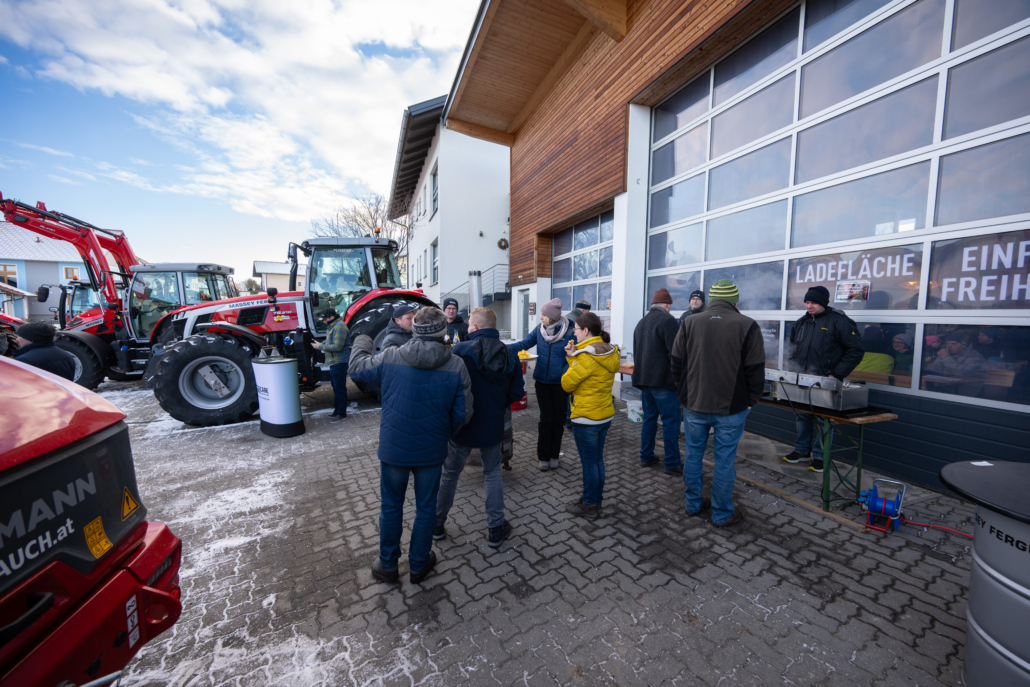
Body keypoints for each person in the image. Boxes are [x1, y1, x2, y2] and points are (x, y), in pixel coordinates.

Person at [349, 307, 473, 584]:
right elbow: (463, 414)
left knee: (391, 507)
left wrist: (363, 340)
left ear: (413, 329)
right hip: (432, 450)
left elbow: (356, 368)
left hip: (394, 449)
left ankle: (388, 566)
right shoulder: (456, 365)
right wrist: (442, 431)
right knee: (426, 508)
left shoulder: (392, 356)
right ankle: (418, 565)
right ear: (444, 332)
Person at [670, 279, 765, 527]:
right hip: (732, 407)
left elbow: (676, 361)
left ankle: (693, 504)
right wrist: (751, 400)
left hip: (694, 404)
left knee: (692, 454)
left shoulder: (690, 321)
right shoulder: (748, 324)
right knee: (724, 461)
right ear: (735, 301)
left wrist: (684, 393)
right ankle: (722, 514)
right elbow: (755, 369)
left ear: (711, 300)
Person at [435, 307, 525, 548]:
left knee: (450, 473)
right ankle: (495, 528)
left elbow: (446, 387)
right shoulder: (510, 353)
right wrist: (498, 404)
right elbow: (518, 392)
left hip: (461, 424)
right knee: (492, 473)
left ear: (473, 327)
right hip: (493, 424)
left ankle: (436, 524)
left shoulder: (459, 351)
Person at [781, 285, 864, 473]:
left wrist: (836, 374)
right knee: (801, 416)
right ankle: (802, 450)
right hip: (801, 379)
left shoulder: (840, 321)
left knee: (822, 420)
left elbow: (856, 350)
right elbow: (792, 349)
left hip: (826, 380)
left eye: (814, 303)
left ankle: (820, 456)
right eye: (807, 302)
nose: (809, 306)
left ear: (824, 303)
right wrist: (792, 370)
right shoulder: (801, 322)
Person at [562, 311, 621, 518]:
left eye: (576, 329)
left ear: (586, 330)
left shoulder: (586, 356)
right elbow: (585, 373)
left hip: (586, 418)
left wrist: (573, 358)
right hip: (604, 415)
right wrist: (573, 356)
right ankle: (595, 500)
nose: (574, 334)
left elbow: (567, 383)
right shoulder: (609, 351)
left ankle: (589, 504)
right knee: (597, 461)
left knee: (589, 463)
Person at [508, 298, 576, 471]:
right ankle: (543, 457)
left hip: (561, 383)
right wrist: (504, 348)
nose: (541, 318)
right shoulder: (540, 330)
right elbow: (525, 343)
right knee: (546, 419)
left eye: (543, 315)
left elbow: (576, 355)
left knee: (558, 420)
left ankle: (554, 455)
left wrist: (564, 371)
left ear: (552, 317)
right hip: (541, 382)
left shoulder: (570, 331)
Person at [631, 287, 682, 474]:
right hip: (664, 382)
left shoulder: (641, 322)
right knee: (670, 422)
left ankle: (646, 456)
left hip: (645, 381)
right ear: (667, 306)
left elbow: (637, 351)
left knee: (649, 420)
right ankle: (672, 463)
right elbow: (677, 354)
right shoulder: (668, 321)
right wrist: (680, 380)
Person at [311, 308, 350, 423]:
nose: (323, 321)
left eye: (325, 319)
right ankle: (337, 411)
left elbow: (337, 347)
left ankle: (341, 413)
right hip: (334, 362)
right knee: (336, 387)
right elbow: (330, 342)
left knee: (339, 388)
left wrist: (320, 347)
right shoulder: (333, 326)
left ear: (332, 317)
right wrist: (321, 343)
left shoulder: (339, 327)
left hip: (339, 362)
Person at [926, 330, 986, 397]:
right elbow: (934, 368)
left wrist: (946, 357)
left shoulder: (974, 356)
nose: (949, 346)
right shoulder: (946, 353)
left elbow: (962, 373)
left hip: (965, 390)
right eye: (947, 343)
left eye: (953, 344)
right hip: (946, 386)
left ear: (964, 345)